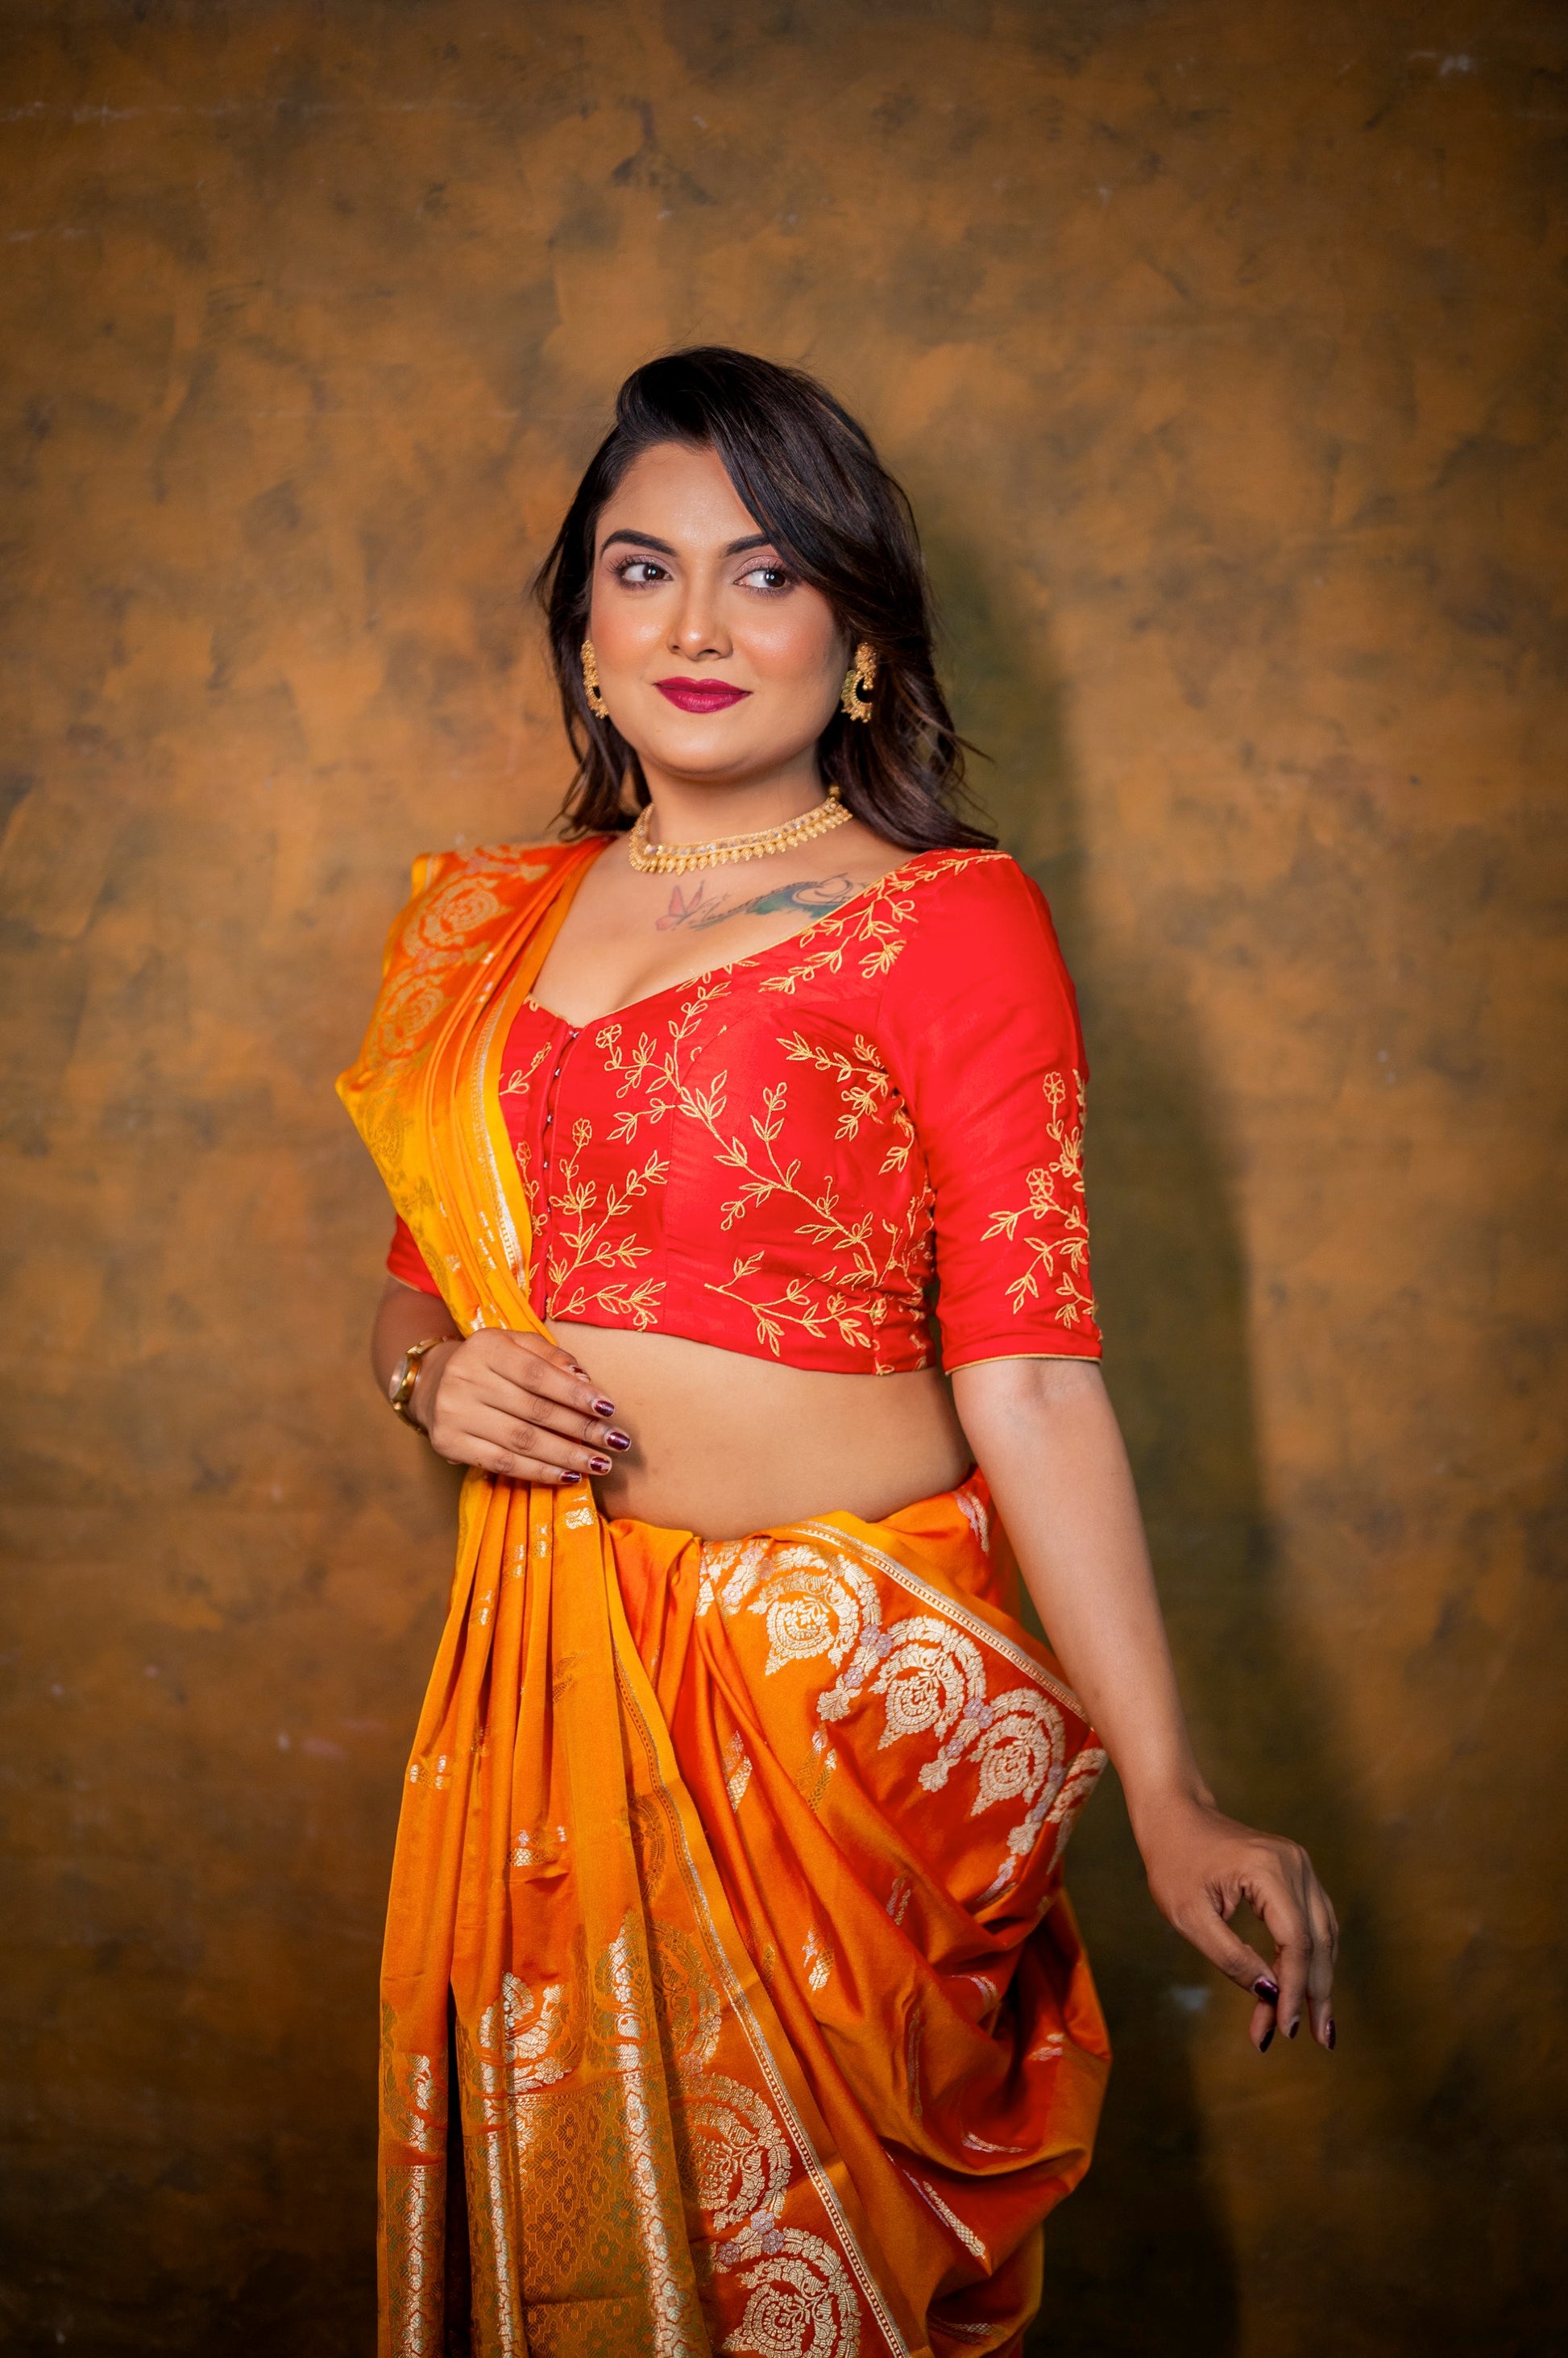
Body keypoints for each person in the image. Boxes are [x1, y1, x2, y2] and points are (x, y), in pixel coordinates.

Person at [338, 346, 1338, 2358]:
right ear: (586, 630)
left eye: (769, 572)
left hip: (838, 1716)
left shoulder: (950, 921)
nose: (698, 626)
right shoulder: (486, 932)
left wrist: (1167, 1785)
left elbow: (1030, 1371)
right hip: (553, 1680)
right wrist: (431, 1380)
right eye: (644, 570)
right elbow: (419, 1276)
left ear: (860, 636)